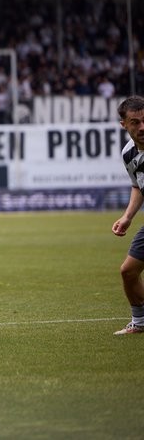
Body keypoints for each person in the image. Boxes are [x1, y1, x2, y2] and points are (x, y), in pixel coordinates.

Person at [112, 96, 144, 334]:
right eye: (135, 122)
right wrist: (127, 217)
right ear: (124, 124)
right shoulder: (128, 153)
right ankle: (141, 322)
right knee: (128, 271)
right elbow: (137, 185)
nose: (142, 127)